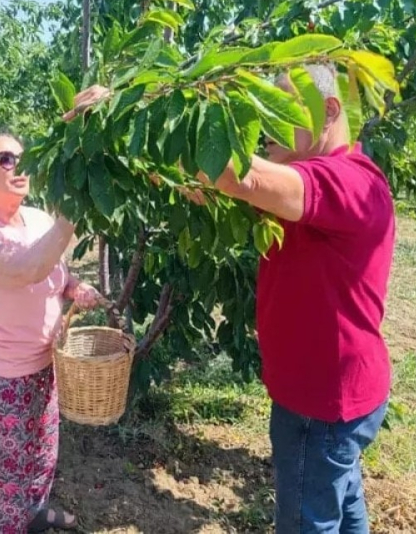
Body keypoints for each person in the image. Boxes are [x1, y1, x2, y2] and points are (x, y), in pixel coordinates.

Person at [67, 64, 395, 533]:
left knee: (309, 521)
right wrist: (161, 167)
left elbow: (244, 179)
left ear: (329, 111)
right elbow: (219, 188)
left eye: (282, 109)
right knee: (342, 500)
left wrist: (128, 106)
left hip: (322, 401)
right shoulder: (309, 185)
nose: (266, 125)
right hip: (330, 392)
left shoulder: (347, 181)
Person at [0, 130, 101, 533]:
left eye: (22, 157)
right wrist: (74, 207)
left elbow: (56, 274)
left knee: (43, 452)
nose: (17, 165)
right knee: (8, 472)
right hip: (5, 374)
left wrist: (76, 287)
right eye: (3, 159)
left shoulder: (40, 219)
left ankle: (35, 514)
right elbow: (25, 269)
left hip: (47, 363)